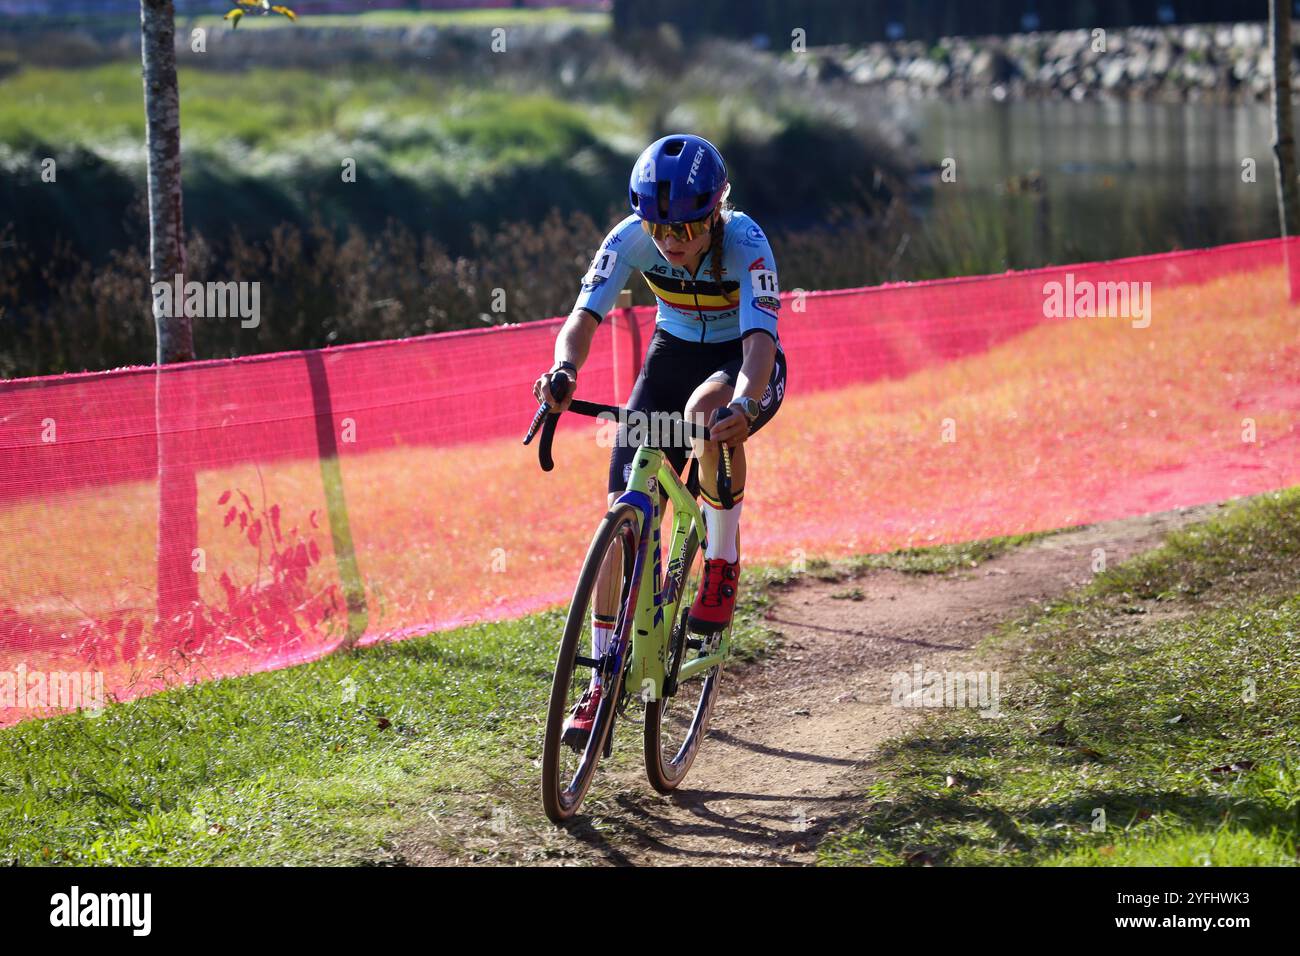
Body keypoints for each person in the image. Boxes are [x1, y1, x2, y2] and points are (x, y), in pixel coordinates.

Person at [532, 133, 788, 747]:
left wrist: (746, 403)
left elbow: (759, 344)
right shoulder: (629, 237)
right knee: (622, 511)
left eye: (686, 230)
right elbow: (582, 318)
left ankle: (721, 561)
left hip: (742, 359)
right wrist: (564, 371)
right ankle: (601, 683)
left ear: (716, 212)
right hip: (672, 352)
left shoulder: (748, 241)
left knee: (708, 412)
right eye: (659, 230)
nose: (671, 244)